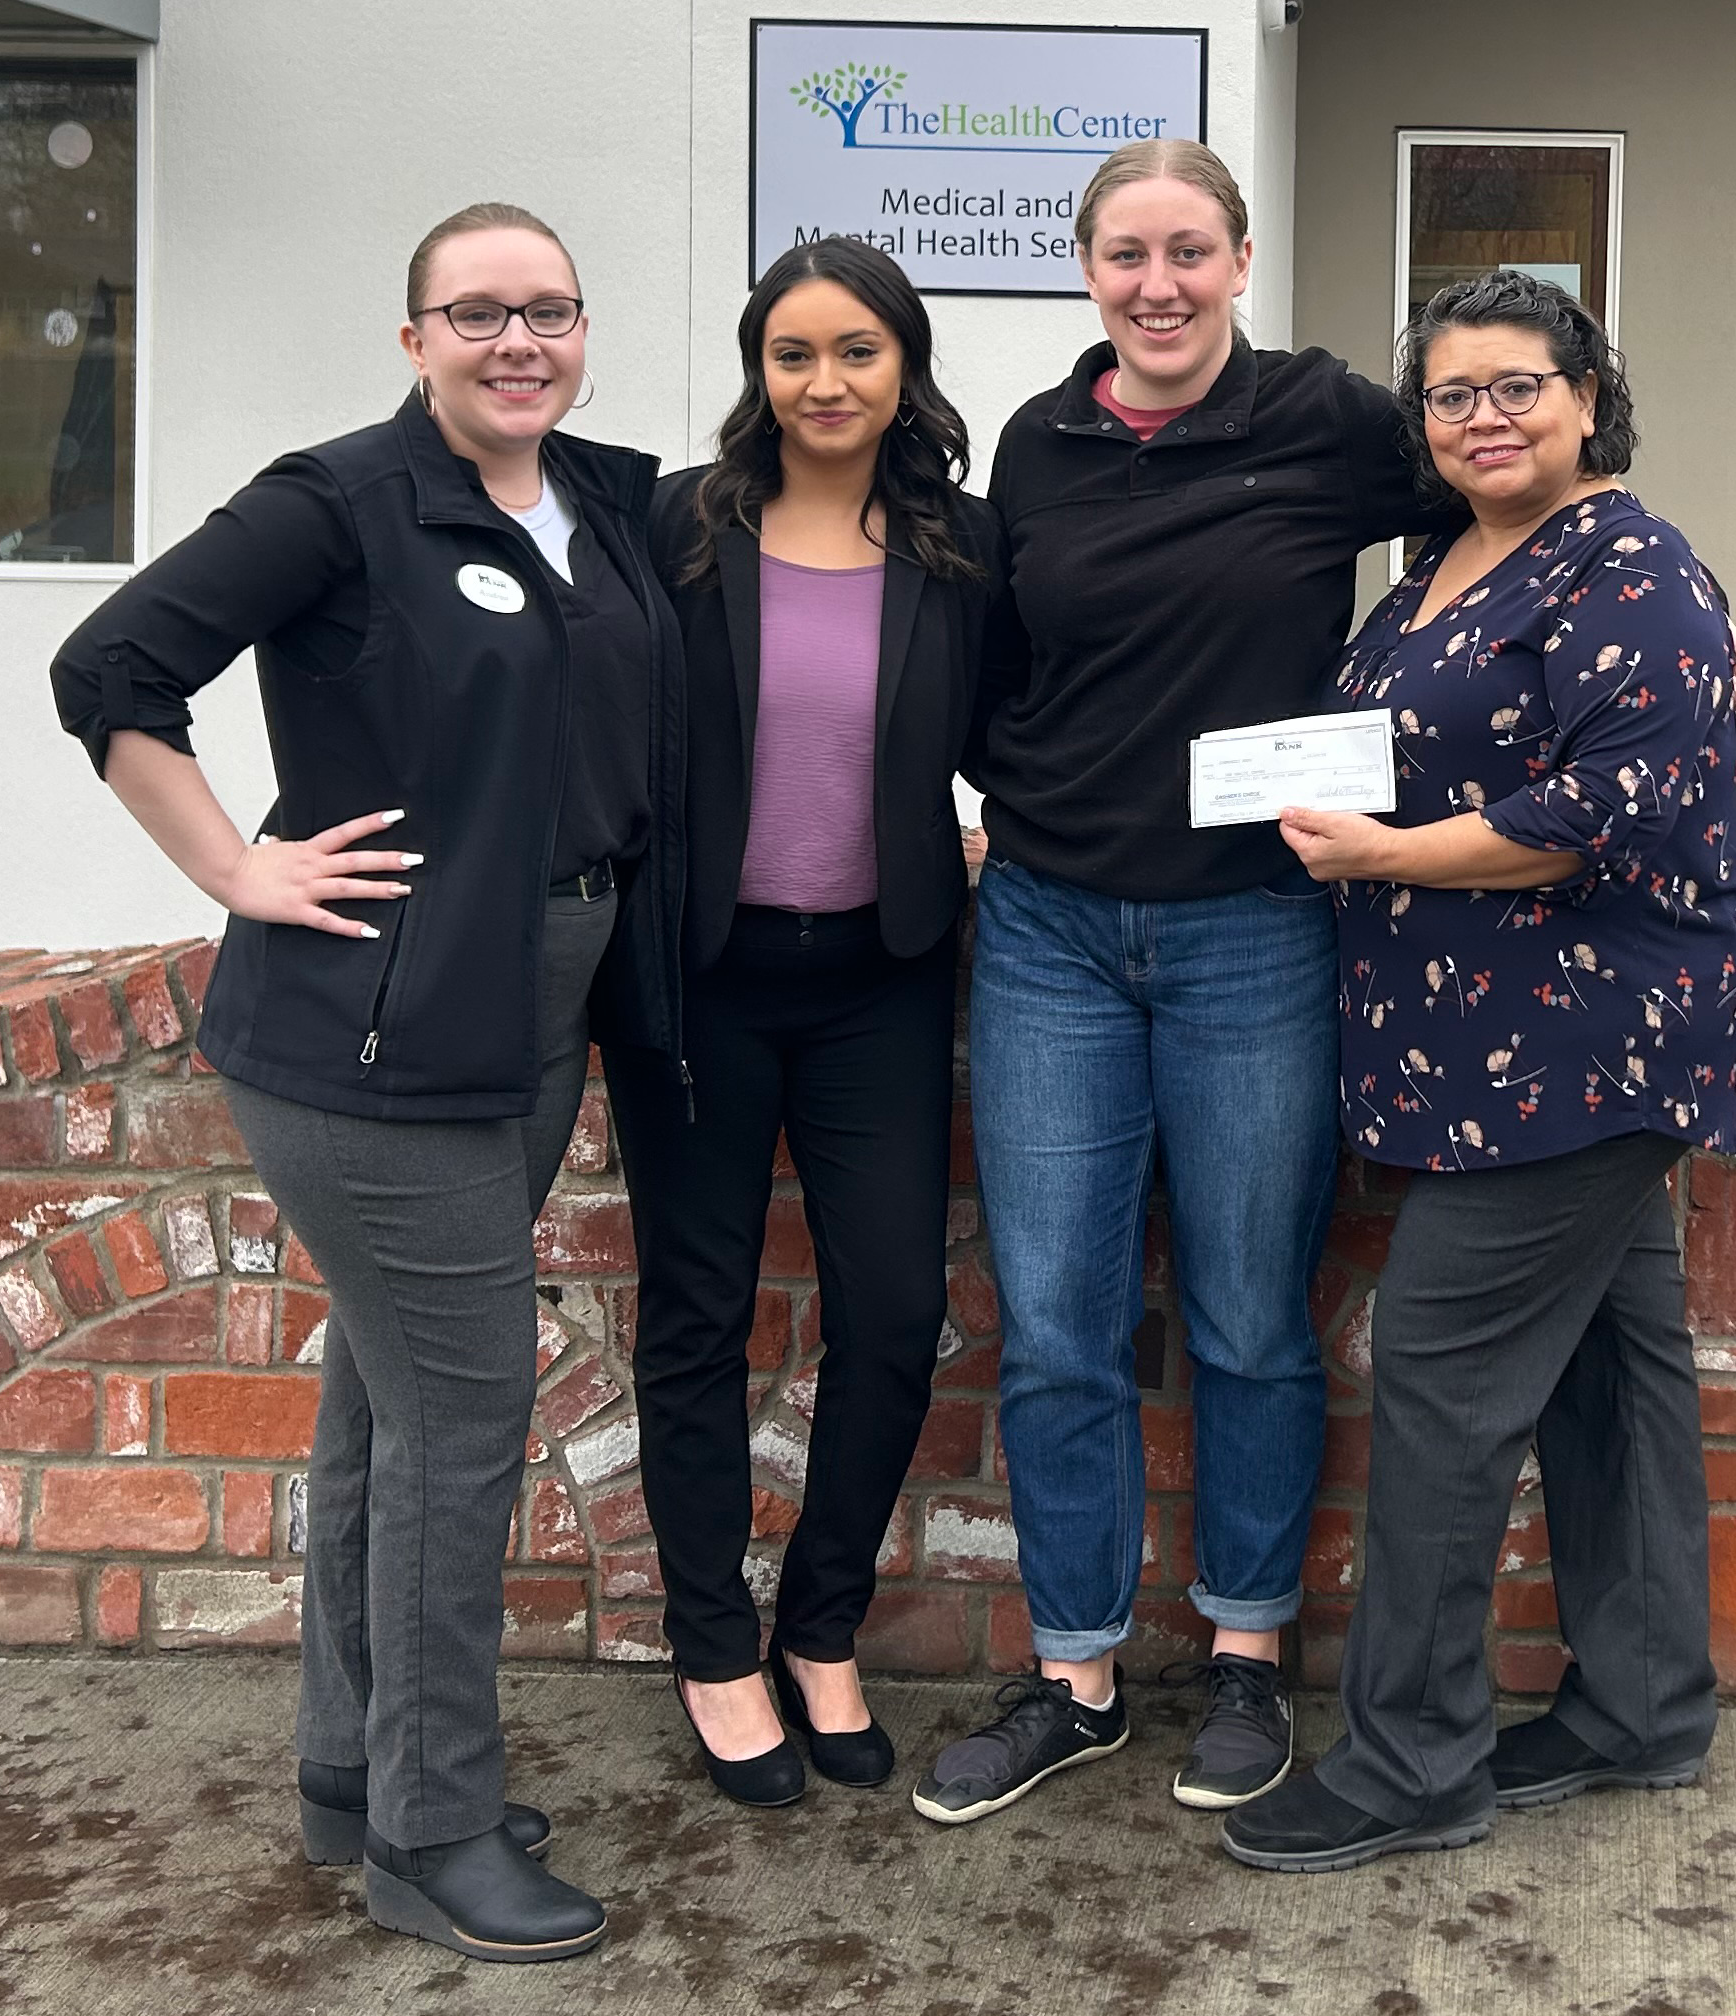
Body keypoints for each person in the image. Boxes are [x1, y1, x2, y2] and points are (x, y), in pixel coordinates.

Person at [50, 203, 677, 1962]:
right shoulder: (332, 502)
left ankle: (352, 1771)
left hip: (537, 1011)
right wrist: (234, 871)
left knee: (389, 1406)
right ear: (414, 339)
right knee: (467, 1419)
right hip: (372, 1037)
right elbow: (110, 666)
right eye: (475, 313)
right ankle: (433, 1829)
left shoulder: (603, 506)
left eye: (548, 310)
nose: (516, 342)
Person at [909, 139, 1455, 1826]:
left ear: (1239, 260)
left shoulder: (1329, 417)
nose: (1157, 286)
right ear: (1087, 268)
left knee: (1245, 1321)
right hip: (1055, 929)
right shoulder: (1039, 441)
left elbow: (1512, 504)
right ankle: (1072, 1676)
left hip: (1253, 929)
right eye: (1127, 255)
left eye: (1190, 254)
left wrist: (1680, 613)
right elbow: (999, 655)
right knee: (1060, 1325)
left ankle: (1241, 1658)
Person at [1221, 272, 1736, 1873]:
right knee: (1615, 1376)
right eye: (1451, 396)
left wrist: (1387, 852)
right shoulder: (1444, 562)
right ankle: (1649, 1702)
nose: (1485, 416)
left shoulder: (1635, 564)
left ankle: (1410, 1761)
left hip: (1582, 1043)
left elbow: (1609, 806)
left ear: (1589, 395)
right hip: (1485, 1042)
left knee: (1447, 1387)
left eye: (1518, 385)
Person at [612, 236, 998, 1808]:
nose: (824, 382)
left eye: (857, 351)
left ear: (904, 365)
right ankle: (714, 1648)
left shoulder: (964, 546)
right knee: (697, 1323)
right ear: (756, 370)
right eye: (793, 354)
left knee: (895, 1315)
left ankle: (819, 1629)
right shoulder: (675, 527)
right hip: (697, 983)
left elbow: (1075, 702)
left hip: (881, 980)